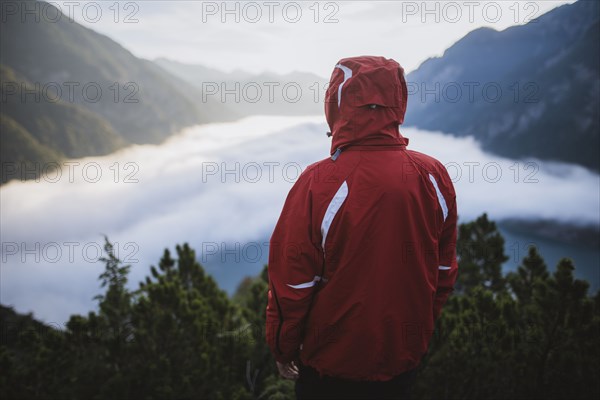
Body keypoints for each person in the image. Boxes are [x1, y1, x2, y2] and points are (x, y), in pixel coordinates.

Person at [265, 56, 458, 399]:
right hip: (403, 363)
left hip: (331, 368)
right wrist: (418, 335)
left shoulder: (318, 182)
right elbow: (442, 271)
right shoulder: (434, 175)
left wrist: (283, 349)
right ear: (398, 101)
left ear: (337, 102)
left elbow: (292, 284)